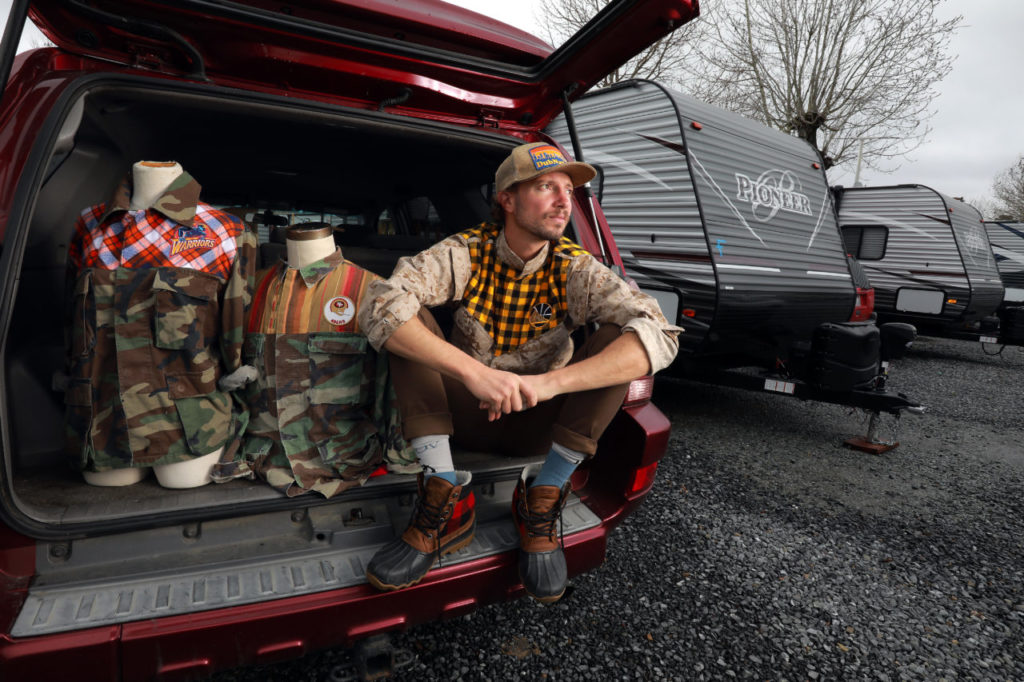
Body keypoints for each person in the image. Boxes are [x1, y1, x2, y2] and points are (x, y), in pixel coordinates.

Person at [357, 142, 681, 603]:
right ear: (506, 198)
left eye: (568, 190)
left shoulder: (577, 268)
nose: (562, 199)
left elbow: (661, 333)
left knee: (622, 336)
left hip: (540, 426)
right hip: (462, 421)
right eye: (545, 186)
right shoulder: (464, 252)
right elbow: (380, 303)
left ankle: (544, 497)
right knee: (406, 321)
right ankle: (441, 496)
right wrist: (474, 373)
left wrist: (547, 383)